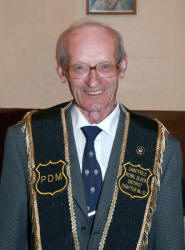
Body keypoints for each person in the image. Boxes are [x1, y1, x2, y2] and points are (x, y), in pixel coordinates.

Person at [0, 20, 184, 250]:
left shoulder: (160, 147)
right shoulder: (27, 138)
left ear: (122, 67)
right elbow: (8, 241)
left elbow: (170, 244)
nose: (93, 80)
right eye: (80, 67)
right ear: (61, 71)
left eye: (105, 66)